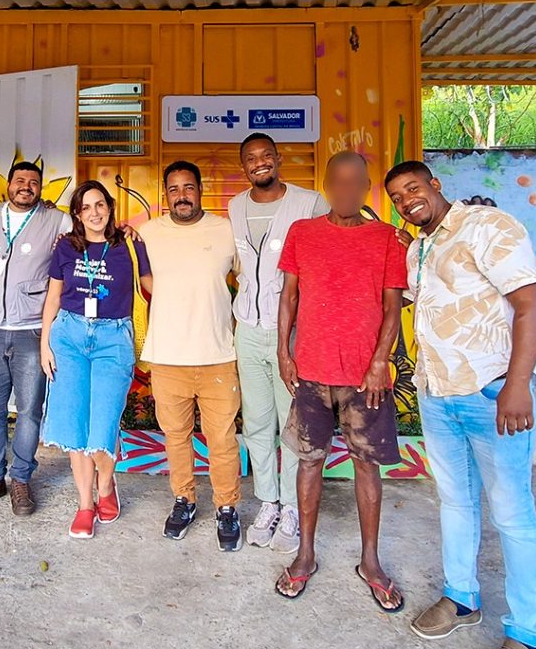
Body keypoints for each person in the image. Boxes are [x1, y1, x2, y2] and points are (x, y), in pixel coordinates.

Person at [385, 160, 536, 649]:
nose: (407, 200)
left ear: (435, 184)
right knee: (455, 501)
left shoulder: (488, 226)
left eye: (413, 188)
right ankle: (461, 597)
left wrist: (518, 385)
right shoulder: (418, 248)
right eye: (397, 196)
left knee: (512, 513)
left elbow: (529, 303)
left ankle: (526, 635)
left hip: (492, 393)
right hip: (438, 395)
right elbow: (411, 301)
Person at [273, 152, 407, 610]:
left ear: (367, 186)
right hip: (312, 371)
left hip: (365, 378)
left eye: (356, 182)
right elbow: (289, 297)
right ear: (326, 186)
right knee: (309, 462)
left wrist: (379, 362)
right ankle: (305, 554)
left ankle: (370, 561)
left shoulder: (386, 238)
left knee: (367, 466)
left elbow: (392, 306)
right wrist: (283, 351)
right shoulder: (303, 233)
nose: (347, 190)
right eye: (338, 182)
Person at [229, 131, 328, 553]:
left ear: (278, 159)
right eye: (251, 158)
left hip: (290, 332)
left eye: (266, 155)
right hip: (248, 331)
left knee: (292, 424)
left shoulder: (309, 204)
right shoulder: (235, 207)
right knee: (256, 422)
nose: (260, 163)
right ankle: (268, 501)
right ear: (244, 167)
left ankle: (291, 506)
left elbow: (334, 248)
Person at [40, 181, 152, 538]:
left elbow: (154, 285)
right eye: (86, 207)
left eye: (100, 204)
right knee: (74, 426)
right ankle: (85, 504)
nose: (94, 213)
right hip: (69, 337)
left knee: (103, 424)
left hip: (113, 340)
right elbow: (53, 298)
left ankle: (106, 487)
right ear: (77, 214)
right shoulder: (66, 247)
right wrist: (45, 345)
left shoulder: (130, 245)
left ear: (110, 207)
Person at [140, 161, 243, 551]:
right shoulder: (148, 234)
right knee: (176, 437)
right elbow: (139, 275)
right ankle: (184, 500)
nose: (181, 195)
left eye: (188, 187)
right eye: (173, 189)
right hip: (168, 357)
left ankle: (227, 507)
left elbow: (249, 279)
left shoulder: (226, 231)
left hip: (218, 356)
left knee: (222, 439)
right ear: (165, 194)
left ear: (200, 190)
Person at [0, 161, 71, 517]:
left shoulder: (57, 220)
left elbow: (84, 241)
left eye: (33, 182)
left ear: (41, 189)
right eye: (20, 180)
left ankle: (21, 478)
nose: (26, 186)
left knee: (29, 411)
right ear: (8, 185)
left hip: (32, 329)